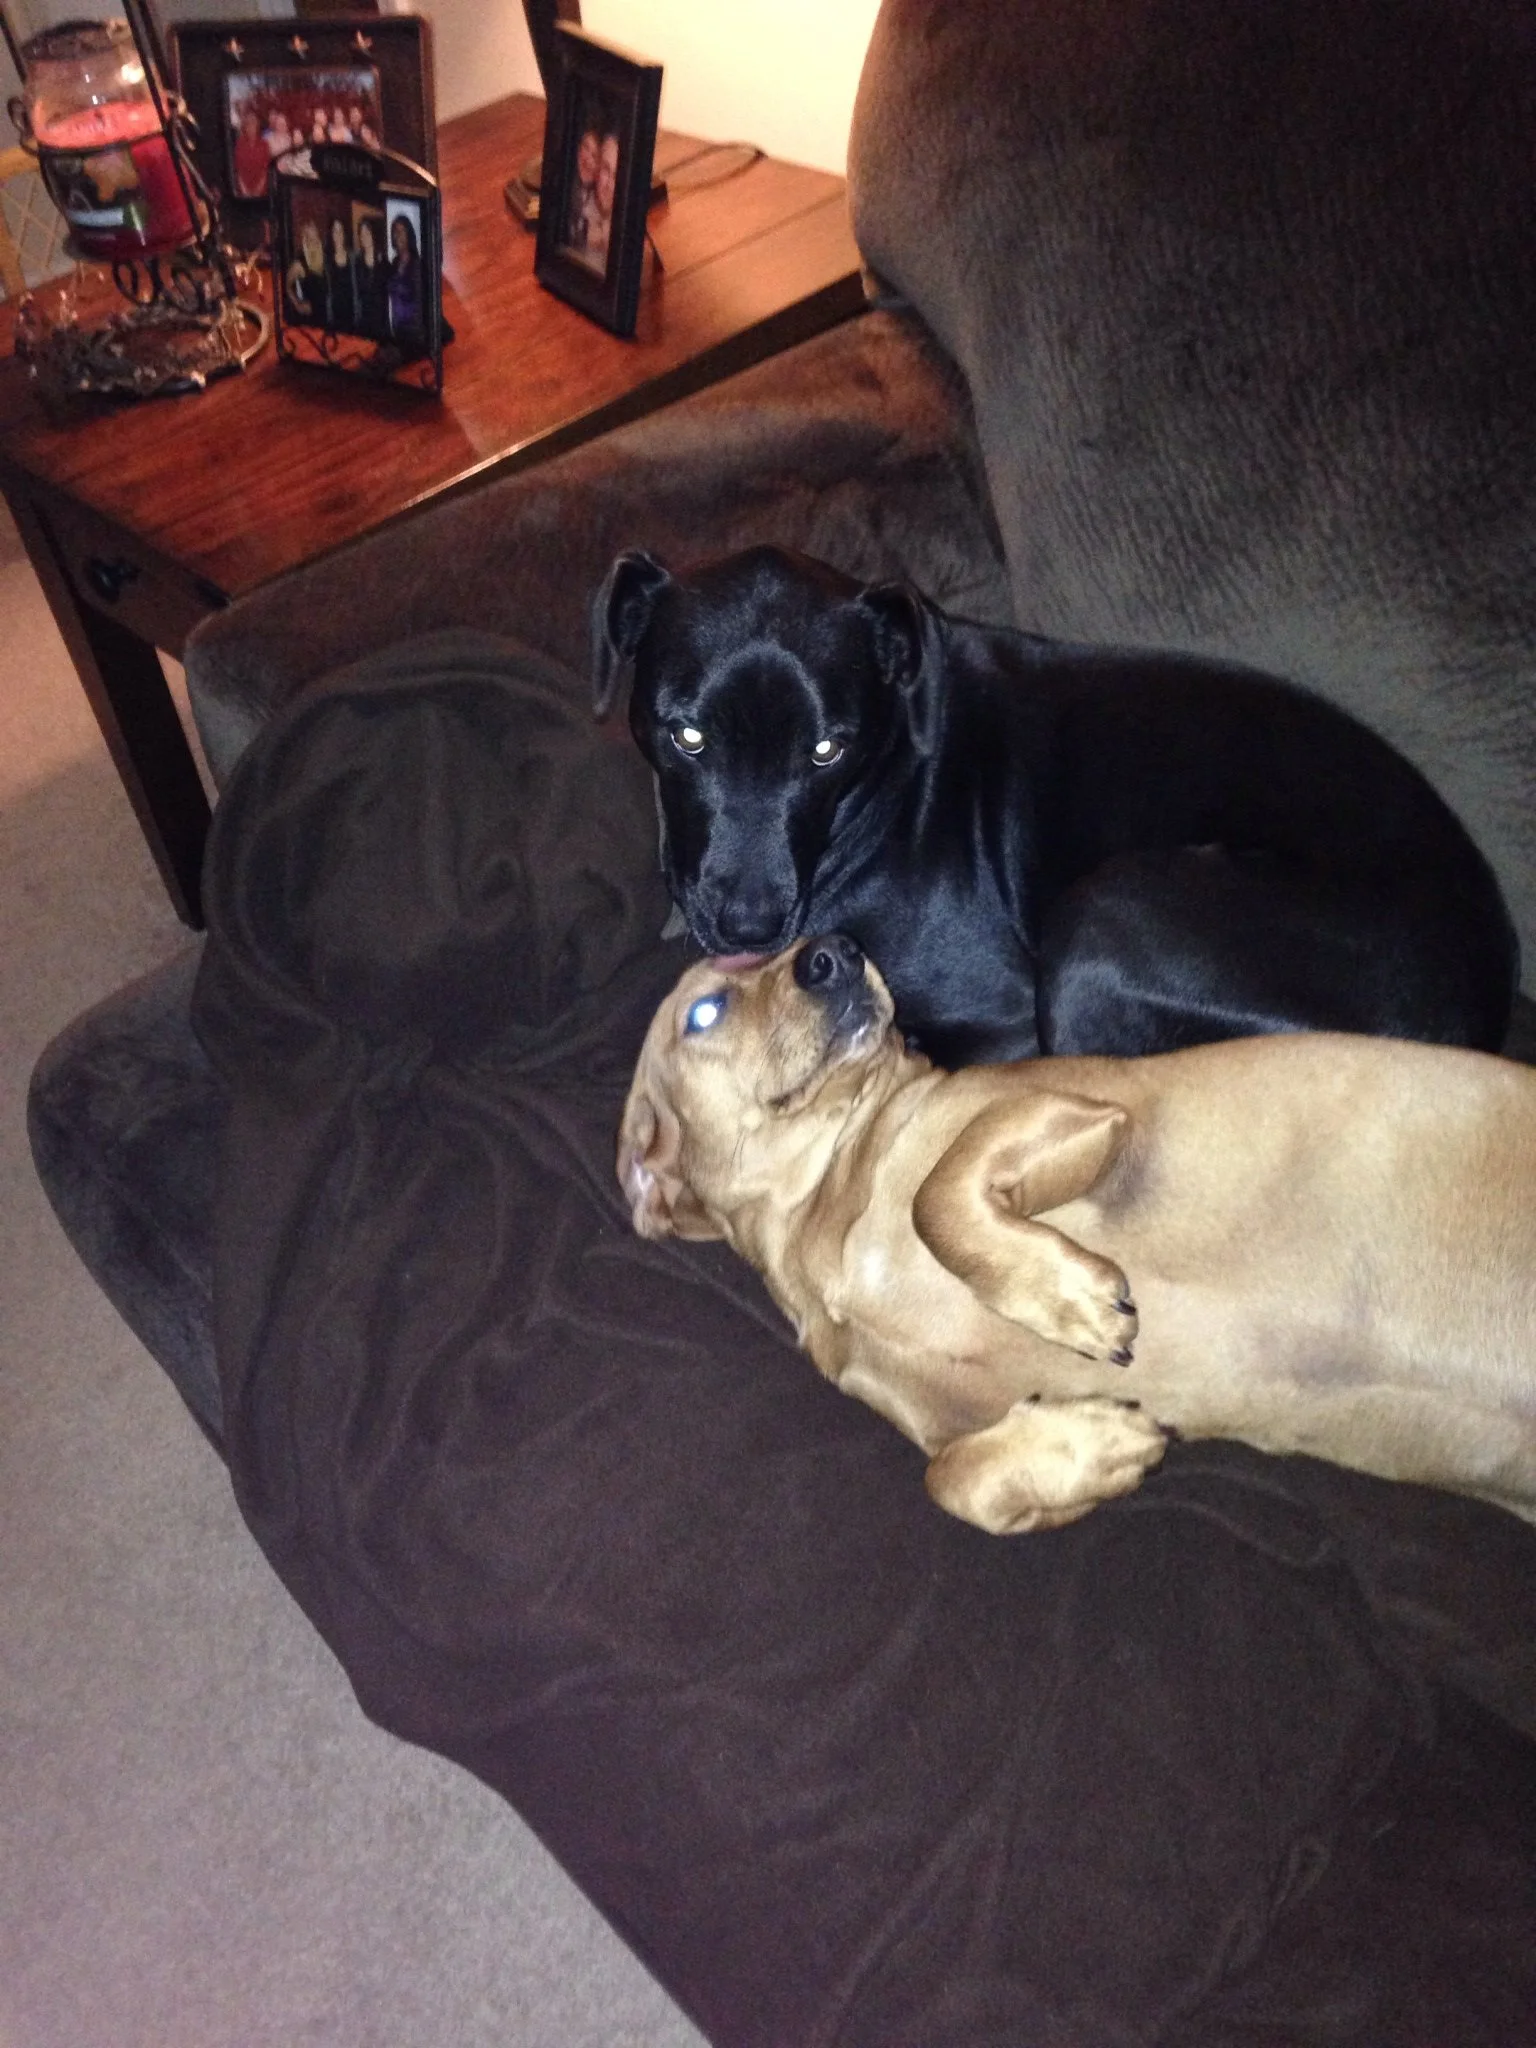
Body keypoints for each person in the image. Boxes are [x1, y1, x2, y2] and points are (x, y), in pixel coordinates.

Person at [575, 131, 619, 273]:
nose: (609, 185)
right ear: (597, 169)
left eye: (617, 175)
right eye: (605, 169)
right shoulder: (576, 206)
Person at [387, 208, 423, 344]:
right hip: (397, 328)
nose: (398, 236)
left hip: (414, 331)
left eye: (401, 231)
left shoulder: (416, 264)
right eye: (395, 232)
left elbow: (420, 301)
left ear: (409, 234)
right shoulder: (394, 263)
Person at [285, 216, 330, 326]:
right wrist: (298, 305)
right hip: (311, 317)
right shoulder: (299, 264)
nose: (314, 242)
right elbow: (287, 286)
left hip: (328, 312)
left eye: (316, 237)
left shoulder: (325, 255)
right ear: (305, 240)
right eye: (310, 239)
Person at [352, 212, 389, 340]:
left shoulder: (383, 259)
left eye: (367, 233)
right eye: (361, 234)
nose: (363, 237)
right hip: (365, 318)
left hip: (382, 318)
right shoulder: (357, 261)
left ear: (373, 234)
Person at [565, 126, 601, 252]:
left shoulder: (601, 201)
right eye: (585, 147)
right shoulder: (565, 187)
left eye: (595, 156)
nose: (587, 159)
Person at [231, 104, 270, 199]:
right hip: (243, 189)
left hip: (261, 190)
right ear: (245, 127)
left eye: (254, 124)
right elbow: (238, 169)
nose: (251, 128)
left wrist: (259, 190)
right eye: (249, 124)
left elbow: (266, 169)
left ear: (258, 126)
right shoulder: (240, 144)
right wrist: (244, 190)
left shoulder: (264, 144)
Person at [326, 215, 355, 331]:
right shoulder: (326, 260)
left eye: (340, 231)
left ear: (344, 234)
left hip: (352, 316)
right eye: (335, 231)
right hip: (334, 318)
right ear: (331, 234)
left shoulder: (353, 257)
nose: (338, 235)